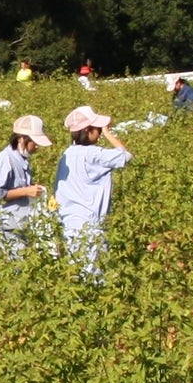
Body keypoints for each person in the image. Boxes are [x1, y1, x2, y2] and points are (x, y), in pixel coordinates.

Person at [52, 107, 131, 274]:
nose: (100, 133)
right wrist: (109, 133)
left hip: (68, 224)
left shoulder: (66, 155)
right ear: (88, 130)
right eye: (98, 129)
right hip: (90, 226)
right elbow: (125, 156)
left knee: (77, 274)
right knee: (94, 278)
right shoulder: (94, 154)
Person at [0, 114, 52, 254]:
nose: (37, 146)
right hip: (3, 231)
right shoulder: (5, 160)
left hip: (17, 229)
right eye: (34, 141)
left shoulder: (22, 159)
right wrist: (25, 191)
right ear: (22, 139)